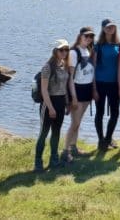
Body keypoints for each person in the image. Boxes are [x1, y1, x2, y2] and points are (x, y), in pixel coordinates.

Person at [36, 39, 73, 172]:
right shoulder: (47, 67)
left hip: (61, 102)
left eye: (66, 50)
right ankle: (38, 163)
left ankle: (54, 160)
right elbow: (44, 90)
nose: (64, 52)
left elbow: (65, 87)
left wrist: (68, 103)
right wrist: (50, 107)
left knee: (56, 132)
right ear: (55, 51)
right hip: (48, 103)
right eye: (61, 50)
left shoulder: (64, 65)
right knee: (44, 133)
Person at [62, 27, 95, 162]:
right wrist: (73, 97)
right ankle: (65, 151)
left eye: (91, 36)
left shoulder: (87, 50)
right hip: (77, 90)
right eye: (86, 36)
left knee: (78, 122)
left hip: (87, 90)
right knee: (74, 123)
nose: (88, 39)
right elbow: (70, 78)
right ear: (80, 36)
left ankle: (74, 147)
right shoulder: (74, 52)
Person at [94, 19, 120, 150]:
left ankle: (108, 139)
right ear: (103, 29)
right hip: (100, 83)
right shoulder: (97, 46)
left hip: (114, 84)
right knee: (99, 112)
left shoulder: (119, 45)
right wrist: (93, 88)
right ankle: (100, 140)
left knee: (115, 113)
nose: (110, 29)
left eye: (112, 27)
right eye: (108, 27)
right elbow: (92, 68)